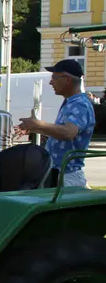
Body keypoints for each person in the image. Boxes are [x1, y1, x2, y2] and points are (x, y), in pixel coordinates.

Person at [17, 59, 96, 187]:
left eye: (54, 77)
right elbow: (61, 133)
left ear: (67, 80)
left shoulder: (80, 104)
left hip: (67, 177)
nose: (50, 82)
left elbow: (68, 132)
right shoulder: (71, 102)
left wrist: (38, 124)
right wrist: (34, 128)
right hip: (60, 175)